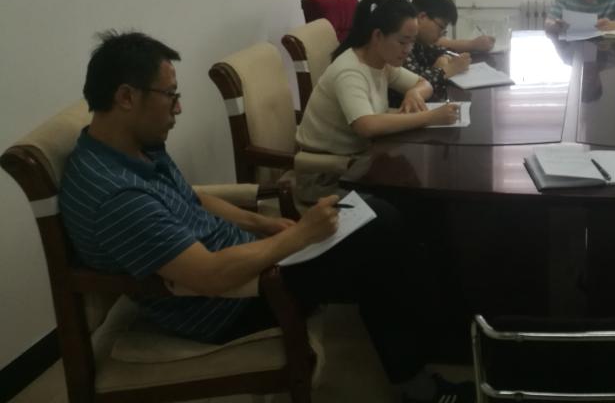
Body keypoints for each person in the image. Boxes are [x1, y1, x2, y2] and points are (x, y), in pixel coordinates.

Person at [59, 31, 473, 403]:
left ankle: (429, 352)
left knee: (375, 221)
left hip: (250, 259)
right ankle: (430, 372)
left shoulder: (128, 147)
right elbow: (209, 276)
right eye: (170, 95)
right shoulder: (117, 196)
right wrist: (297, 237)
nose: (179, 107)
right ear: (126, 97)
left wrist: (267, 224)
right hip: (229, 303)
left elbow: (192, 198)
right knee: (381, 232)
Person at [295, 0, 460, 202]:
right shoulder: (350, 71)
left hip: (360, 162)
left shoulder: (382, 60)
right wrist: (430, 117)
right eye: (402, 41)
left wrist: (415, 93)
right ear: (377, 36)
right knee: (409, 203)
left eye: (412, 42)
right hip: (328, 178)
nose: (408, 50)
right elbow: (366, 126)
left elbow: (423, 83)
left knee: (419, 192)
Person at [392, 0, 470, 105]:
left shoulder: (421, 41)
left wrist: (444, 58)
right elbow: (414, 84)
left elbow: (439, 51)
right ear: (422, 17)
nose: (442, 34)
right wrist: (448, 69)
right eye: (441, 27)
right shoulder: (402, 44)